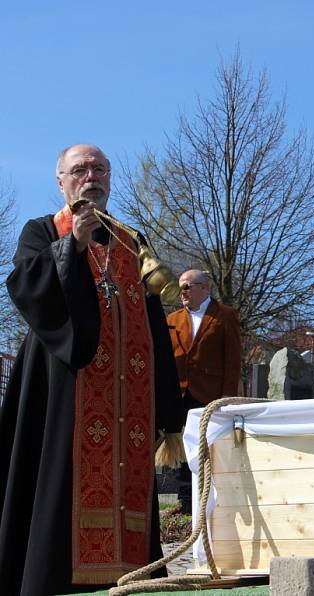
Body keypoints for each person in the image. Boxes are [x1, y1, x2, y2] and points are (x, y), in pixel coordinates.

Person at [0, 144, 183, 594]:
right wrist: (73, 246)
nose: (91, 176)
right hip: (65, 392)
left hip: (129, 402)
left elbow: (155, 319)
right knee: (60, 489)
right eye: (80, 169)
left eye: (100, 169)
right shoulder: (42, 230)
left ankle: (131, 578)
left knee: (129, 494)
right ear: (61, 180)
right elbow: (26, 287)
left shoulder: (130, 240)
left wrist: (168, 407)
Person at [166, 269, 241, 513]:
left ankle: (212, 499)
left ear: (204, 288)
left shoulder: (224, 316)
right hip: (179, 394)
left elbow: (232, 361)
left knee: (207, 446)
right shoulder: (172, 320)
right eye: (180, 288)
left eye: (187, 286)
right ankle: (185, 501)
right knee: (180, 446)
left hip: (209, 394)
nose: (182, 292)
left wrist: (227, 398)